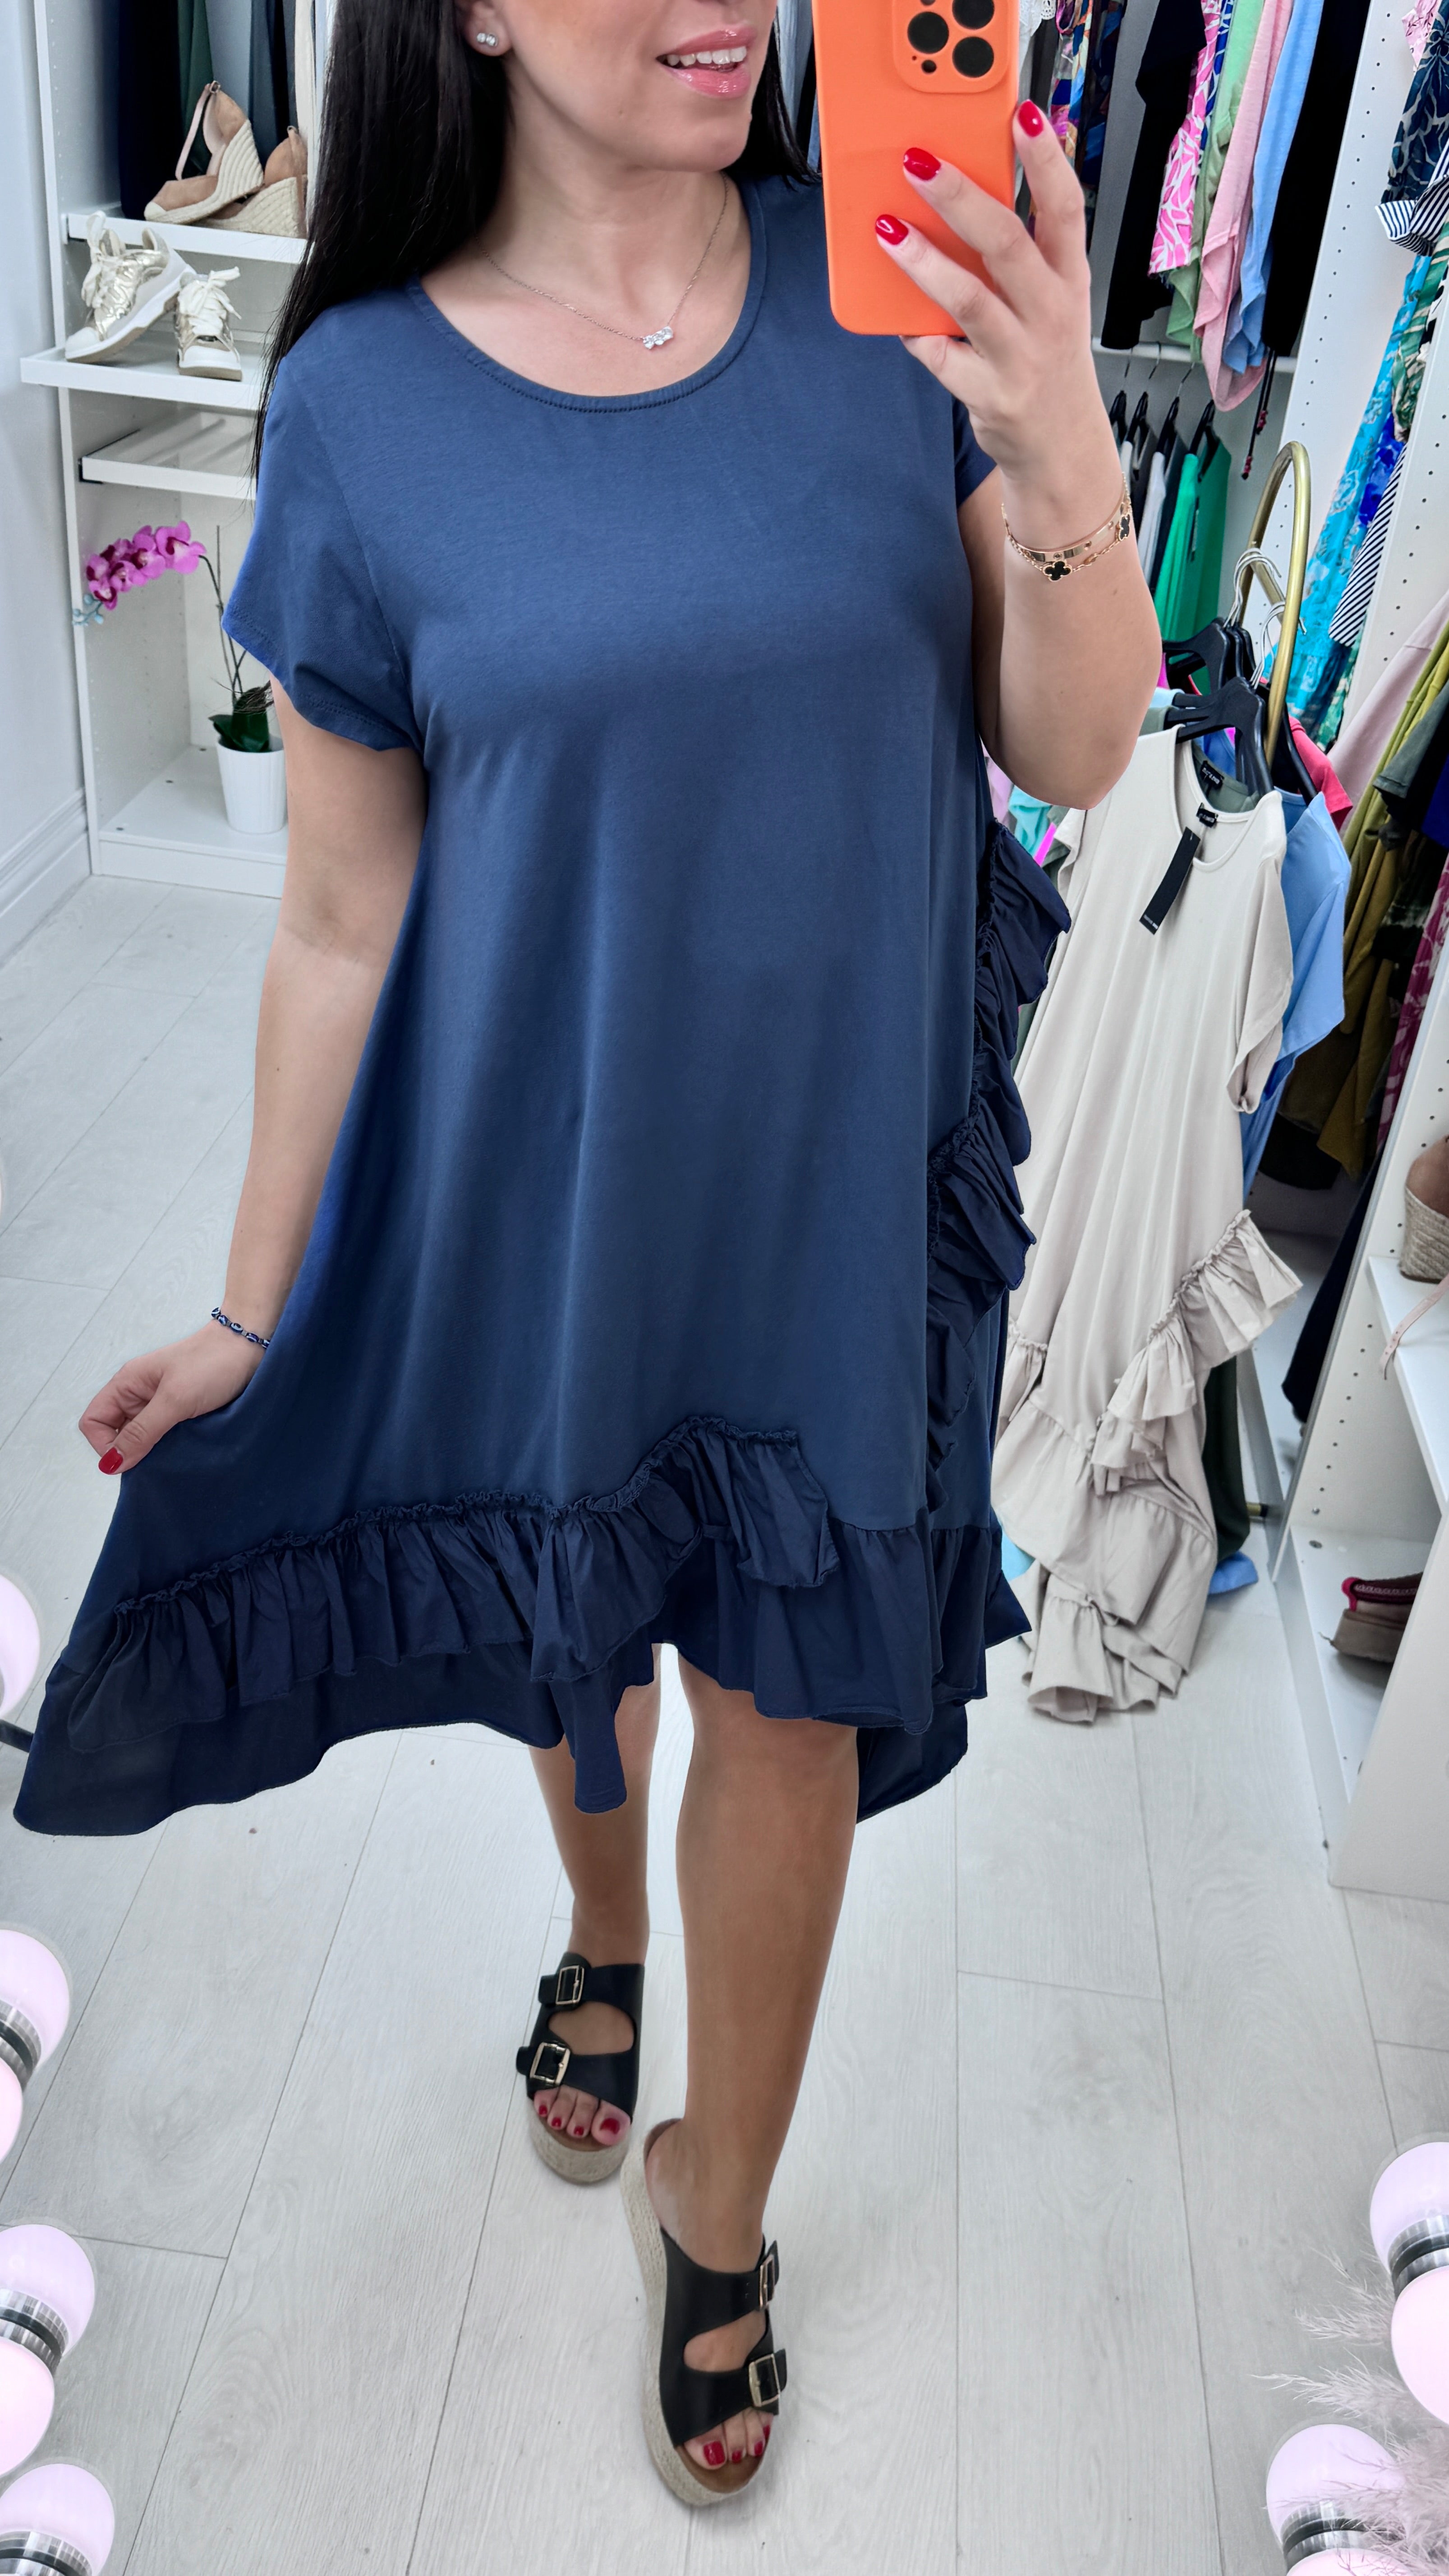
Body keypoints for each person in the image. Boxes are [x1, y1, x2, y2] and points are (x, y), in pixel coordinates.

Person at [18, 0, 1158, 2507]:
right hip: (562, 1179)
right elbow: (342, 918)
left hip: (832, 1189)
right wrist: (251, 1307)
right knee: (588, 1612)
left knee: (791, 1703)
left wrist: (1059, 431)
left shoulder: (886, 306)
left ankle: (713, 2212)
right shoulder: (362, 407)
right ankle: (603, 1941)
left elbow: (1075, 749)